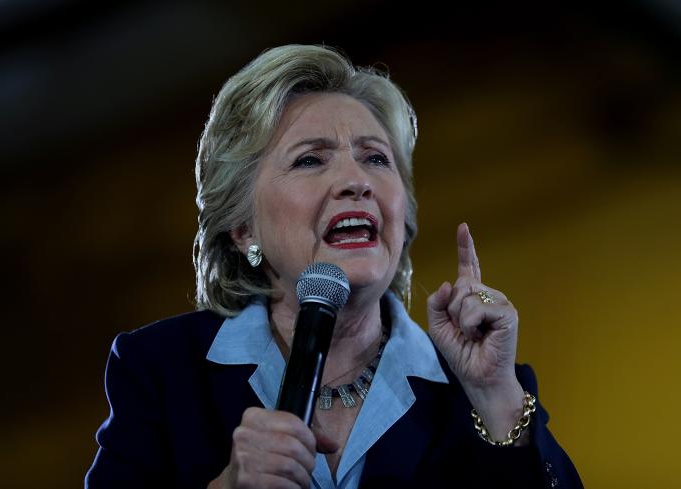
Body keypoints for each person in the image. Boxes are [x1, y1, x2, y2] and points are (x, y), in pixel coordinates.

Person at [85, 44, 583, 488]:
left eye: (376, 158)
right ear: (243, 229)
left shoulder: (474, 386)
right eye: (310, 160)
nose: (356, 181)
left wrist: (495, 396)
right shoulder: (161, 370)